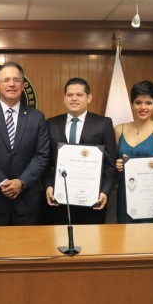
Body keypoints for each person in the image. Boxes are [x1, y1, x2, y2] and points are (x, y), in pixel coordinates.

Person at [0, 62, 50, 226]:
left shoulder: (37, 117)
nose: (11, 84)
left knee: (26, 249)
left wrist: (21, 182)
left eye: (16, 80)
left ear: (22, 86)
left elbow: (42, 155)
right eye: (6, 80)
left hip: (27, 201)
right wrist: (3, 182)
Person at [44, 77, 116, 224]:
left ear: (89, 98)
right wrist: (48, 186)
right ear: (64, 99)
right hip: (59, 200)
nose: (74, 99)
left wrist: (105, 191)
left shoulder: (103, 124)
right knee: (60, 242)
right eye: (69, 95)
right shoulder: (51, 124)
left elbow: (110, 164)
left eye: (79, 95)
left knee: (91, 244)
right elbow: (45, 162)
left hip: (93, 200)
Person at [114, 80, 153, 223]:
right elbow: (112, 165)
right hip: (126, 195)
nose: (143, 107)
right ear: (131, 104)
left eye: (148, 103)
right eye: (138, 102)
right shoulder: (118, 129)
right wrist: (117, 165)